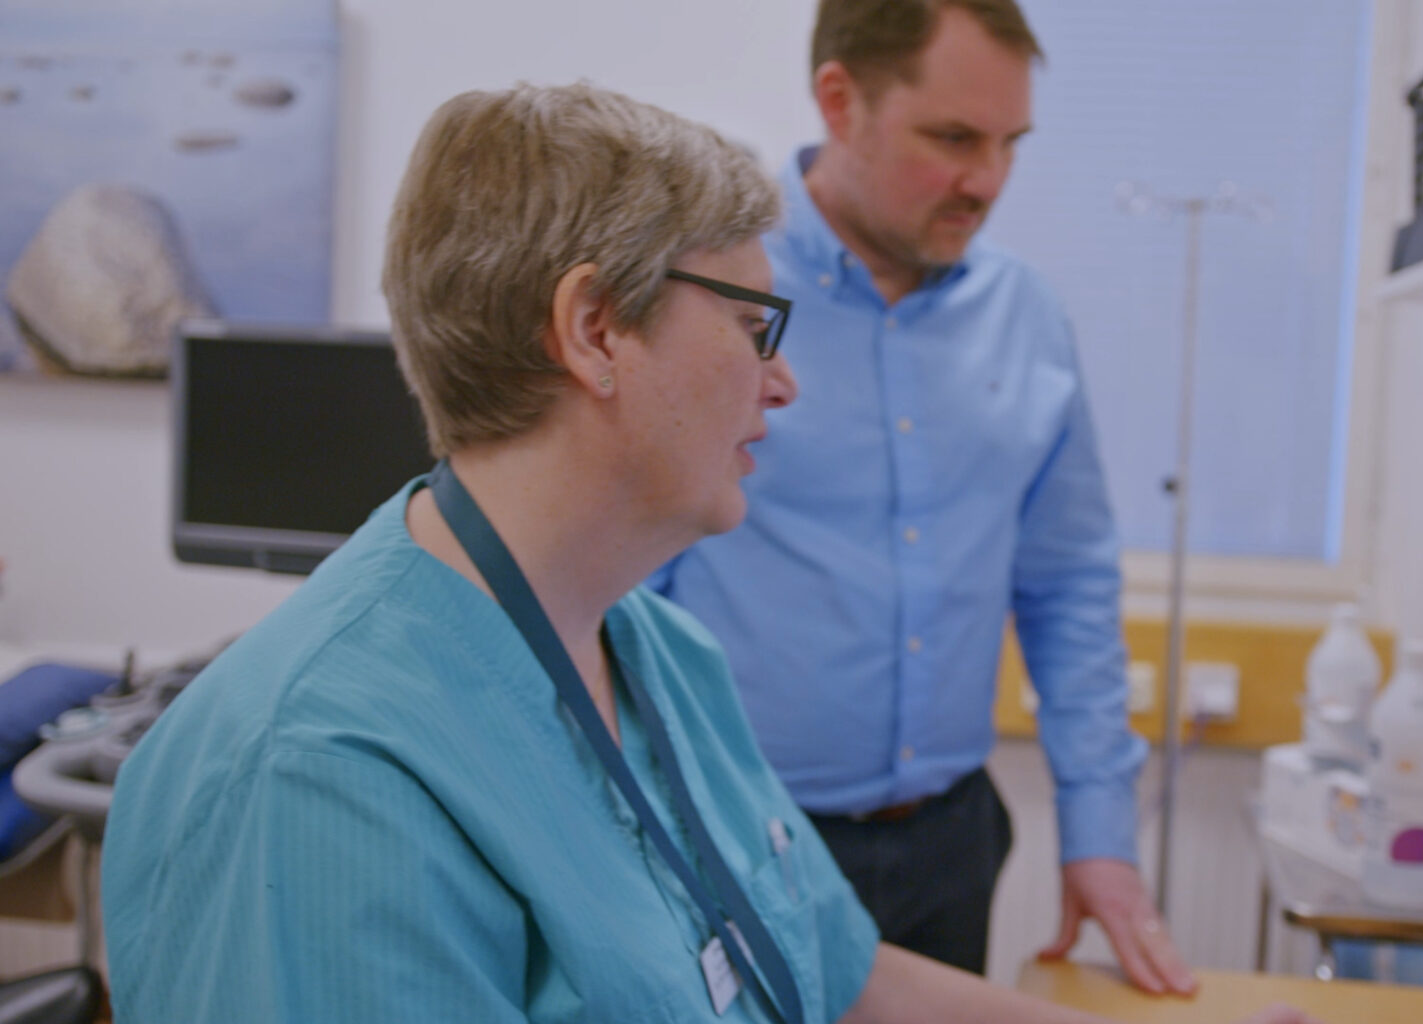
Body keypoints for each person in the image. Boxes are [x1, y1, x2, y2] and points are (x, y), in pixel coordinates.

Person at [96, 81, 1319, 1024]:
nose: (783, 383)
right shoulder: (319, 775)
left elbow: (830, 971)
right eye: (752, 324)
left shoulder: (662, 654)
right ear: (595, 330)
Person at [651, 0, 1195, 996]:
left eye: (1009, 143)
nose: (986, 180)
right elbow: (625, 580)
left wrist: (1100, 835)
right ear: (839, 100)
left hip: (952, 845)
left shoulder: (1026, 314)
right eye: (952, 138)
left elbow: (1068, 583)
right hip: (738, 838)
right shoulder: (712, 289)